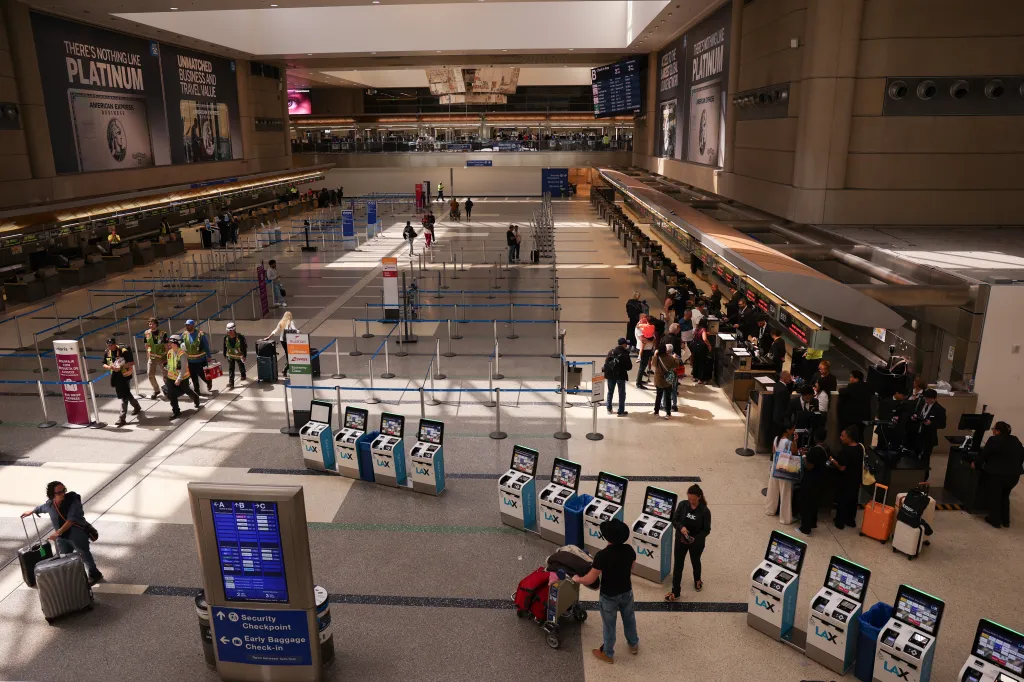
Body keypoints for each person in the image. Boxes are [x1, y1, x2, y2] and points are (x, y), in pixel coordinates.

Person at [571, 518, 639, 663]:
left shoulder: (602, 556)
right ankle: (633, 644)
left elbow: (590, 579)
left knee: (609, 626)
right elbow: (632, 568)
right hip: (627, 591)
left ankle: (608, 653)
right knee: (629, 618)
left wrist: (578, 579)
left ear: (607, 537)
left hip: (609, 596)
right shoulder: (629, 550)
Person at [22, 482, 102, 585]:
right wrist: (32, 511)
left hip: (76, 534)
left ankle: (94, 574)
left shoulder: (73, 501)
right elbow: (41, 508)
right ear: (52, 495)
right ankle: (69, 577)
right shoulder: (50, 504)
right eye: (59, 492)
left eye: (64, 490)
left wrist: (58, 532)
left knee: (84, 554)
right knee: (63, 556)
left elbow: (71, 519)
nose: (63, 494)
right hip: (61, 537)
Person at [974, 421, 1023, 528]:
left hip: (996, 475)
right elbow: (1021, 455)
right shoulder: (1015, 439)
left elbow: (984, 455)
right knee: (1005, 496)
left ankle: (994, 521)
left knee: (994, 497)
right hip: (1013, 475)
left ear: (998, 431)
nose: (993, 431)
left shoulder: (993, 440)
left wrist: (976, 465)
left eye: (993, 429)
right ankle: (1005, 521)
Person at [666, 484, 711, 600]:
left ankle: (697, 580)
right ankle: (675, 591)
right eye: (689, 499)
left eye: (693, 500)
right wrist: (681, 528)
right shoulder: (682, 505)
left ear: (699, 497)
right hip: (681, 540)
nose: (691, 501)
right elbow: (674, 520)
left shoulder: (705, 511)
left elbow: (706, 530)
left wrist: (696, 539)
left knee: (695, 562)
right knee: (678, 565)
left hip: (696, 543)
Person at [908, 388, 947, 479]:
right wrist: (913, 417)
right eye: (926, 399)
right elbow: (915, 413)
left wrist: (931, 423)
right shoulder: (921, 404)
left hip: (928, 437)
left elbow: (943, 424)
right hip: (917, 434)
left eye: (930, 399)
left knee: (925, 458)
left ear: (935, 398)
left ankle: (923, 478)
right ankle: (912, 475)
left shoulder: (940, 409)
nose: (927, 401)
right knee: (913, 456)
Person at [103, 337, 142, 427]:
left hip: (125, 375)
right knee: (126, 393)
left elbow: (131, 363)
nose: (110, 347)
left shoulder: (123, 351)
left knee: (124, 396)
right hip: (116, 376)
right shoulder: (107, 352)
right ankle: (137, 406)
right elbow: (104, 363)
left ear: (115, 344)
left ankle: (122, 418)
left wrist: (121, 367)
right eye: (108, 345)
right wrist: (110, 367)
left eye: (112, 345)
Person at [831, 427, 864, 529]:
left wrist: (831, 459)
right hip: (855, 479)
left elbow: (841, 467)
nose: (840, 438)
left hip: (845, 480)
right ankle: (850, 520)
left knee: (843, 500)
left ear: (849, 438)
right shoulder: (859, 448)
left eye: (843, 436)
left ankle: (840, 522)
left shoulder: (847, 451)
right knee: (852, 500)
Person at [798, 429, 830, 535]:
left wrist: (803, 455)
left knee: (807, 504)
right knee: (814, 504)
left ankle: (805, 528)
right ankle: (812, 523)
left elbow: (809, 466)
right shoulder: (826, 448)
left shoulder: (815, 451)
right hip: (821, 480)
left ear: (815, 438)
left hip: (811, 481)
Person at [765, 423, 798, 524]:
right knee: (785, 493)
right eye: (793, 429)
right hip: (784, 470)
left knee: (773, 489)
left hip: (775, 467)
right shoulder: (789, 442)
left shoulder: (776, 439)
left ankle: (770, 509)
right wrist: (795, 442)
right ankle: (785, 518)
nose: (794, 431)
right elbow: (795, 453)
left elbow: (774, 452)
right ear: (788, 430)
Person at [165, 335, 201, 420]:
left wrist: (179, 379)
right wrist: (166, 370)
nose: (169, 344)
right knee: (171, 394)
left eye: (171, 342)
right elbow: (170, 364)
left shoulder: (182, 354)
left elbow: (184, 368)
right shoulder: (169, 352)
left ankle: (196, 398)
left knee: (186, 390)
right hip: (170, 377)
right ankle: (176, 412)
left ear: (176, 343)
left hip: (182, 378)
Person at [837, 369, 873, 440]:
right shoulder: (868, 387)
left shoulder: (852, 387)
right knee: (860, 436)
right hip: (864, 418)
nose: (849, 379)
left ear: (856, 379)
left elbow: (842, 392)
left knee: (850, 437)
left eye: (851, 377)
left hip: (852, 419)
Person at [181, 319, 212, 395]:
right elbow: (180, 343)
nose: (187, 327)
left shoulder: (200, 334)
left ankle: (208, 382)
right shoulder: (184, 335)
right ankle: (197, 391)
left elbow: (206, 346)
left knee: (203, 375)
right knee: (193, 376)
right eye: (186, 325)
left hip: (201, 360)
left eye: (188, 325)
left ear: (193, 326)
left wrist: (208, 355)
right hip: (190, 360)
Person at [602, 338, 632, 417]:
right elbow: (629, 367)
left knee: (610, 392)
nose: (626, 345)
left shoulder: (611, 352)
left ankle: (609, 408)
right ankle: (621, 411)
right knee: (621, 393)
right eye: (626, 344)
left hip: (611, 376)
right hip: (621, 376)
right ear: (623, 344)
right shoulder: (625, 353)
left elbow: (606, 363)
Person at [264, 311, 298, 376]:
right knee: (291, 355)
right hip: (289, 340)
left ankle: (287, 367)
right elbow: (295, 330)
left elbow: (275, 330)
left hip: (282, 340)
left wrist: (268, 337)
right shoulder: (291, 322)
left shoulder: (281, 322)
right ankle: (285, 369)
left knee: (287, 353)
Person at [652, 343, 680, 419]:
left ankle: (656, 412)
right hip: (668, 380)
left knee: (658, 396)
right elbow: (676, 365)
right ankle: (668, 413)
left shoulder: (656, 358)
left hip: (659, 379)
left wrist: (655, 354)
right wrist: (675, 358)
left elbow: (653, 365)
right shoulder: (670, 358)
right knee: (668, 397)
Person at [143, 317, 168, 400]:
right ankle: (156, 390)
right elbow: (147, 345)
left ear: (156, 324)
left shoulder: (163, 333)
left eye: (152, 323)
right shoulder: (146, 333)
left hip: (162, 357)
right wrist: (148, 352)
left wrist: (168, 357)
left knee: (165, 375)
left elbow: (166, 346)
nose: (150, 325)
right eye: (149, 323)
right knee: (150, 374)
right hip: (152, 357)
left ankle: (169, 390)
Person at [223, 322, 248, 390]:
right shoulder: (226, 337)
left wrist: (244, 355)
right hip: (230, 355)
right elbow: (225, 346)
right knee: (231, 368)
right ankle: (231, 383)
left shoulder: (240, 337)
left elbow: (244, 347)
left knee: (241, 366)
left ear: (234, 330)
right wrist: (224, 353)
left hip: (239, 355)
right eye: (227, 331)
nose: (229, 332)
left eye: (230, 331)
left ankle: (243, 374)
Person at [772, 371, 794, 441]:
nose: (790, 379)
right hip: (781, 418)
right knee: (780, 437)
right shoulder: (784, 390)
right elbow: (785, 405)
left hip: (776, 415)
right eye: (789, 377)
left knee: (776, 437)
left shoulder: (776, 385)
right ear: (785, 377)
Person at [690, 318, 712, 385]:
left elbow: (694, 335)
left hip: (695, 346)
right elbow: (704, 339)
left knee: (695, 361)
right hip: (701, 347)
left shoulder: (697, 328)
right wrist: (709, 345)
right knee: (702, 363)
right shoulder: (703, 329)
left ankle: (694, 377)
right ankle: (701, 379)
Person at [635, 321, 656, 389]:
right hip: (644, 350)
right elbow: (643, 340)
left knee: (643, 366)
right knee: (642, 366)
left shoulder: (644, 328)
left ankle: (639, 380)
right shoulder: (639, 329)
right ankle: (638, 383)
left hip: (647, 349)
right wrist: (652, 341)